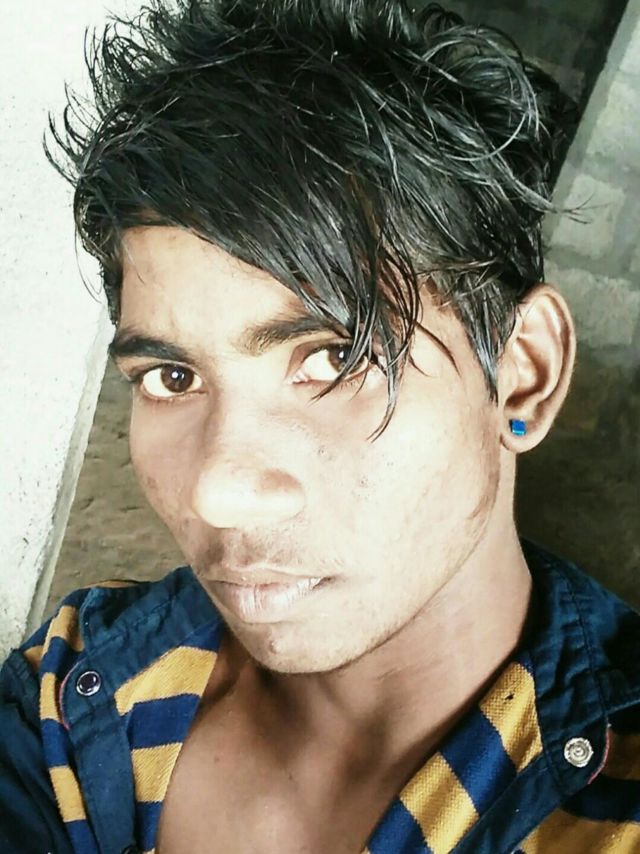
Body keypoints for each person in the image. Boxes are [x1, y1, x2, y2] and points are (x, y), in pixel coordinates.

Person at [1, 0, 639, 852]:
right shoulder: (72, 698)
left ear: (522, 375)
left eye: (335, 358)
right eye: (172, 377)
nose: (218, 493)